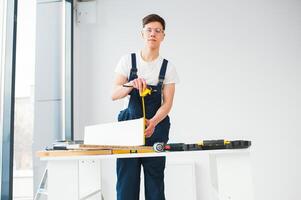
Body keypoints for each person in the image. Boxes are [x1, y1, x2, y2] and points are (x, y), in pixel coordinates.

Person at [112, 14, 179, 200]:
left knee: (155, 183)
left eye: (158, 31)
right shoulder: (127, 61)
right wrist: (131, 84)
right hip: (127, 129)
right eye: (149, 30)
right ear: (142, 34)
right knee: (127, 183)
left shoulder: (168, 68)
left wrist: (154, 122)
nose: (153, 34)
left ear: (163, 36)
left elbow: (167, 104)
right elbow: (114, 94)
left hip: (155, 129)